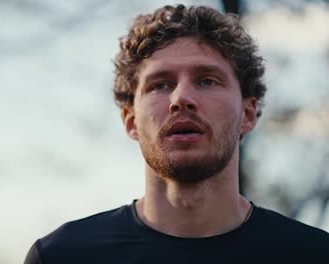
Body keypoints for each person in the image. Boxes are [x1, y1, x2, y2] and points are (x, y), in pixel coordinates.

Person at [24, 4, 329, 264]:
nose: (181, 98)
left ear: (247, 115)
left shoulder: (313, 254)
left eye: (207, 80)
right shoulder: (62, 256)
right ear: (130, 120)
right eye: (160, 84)